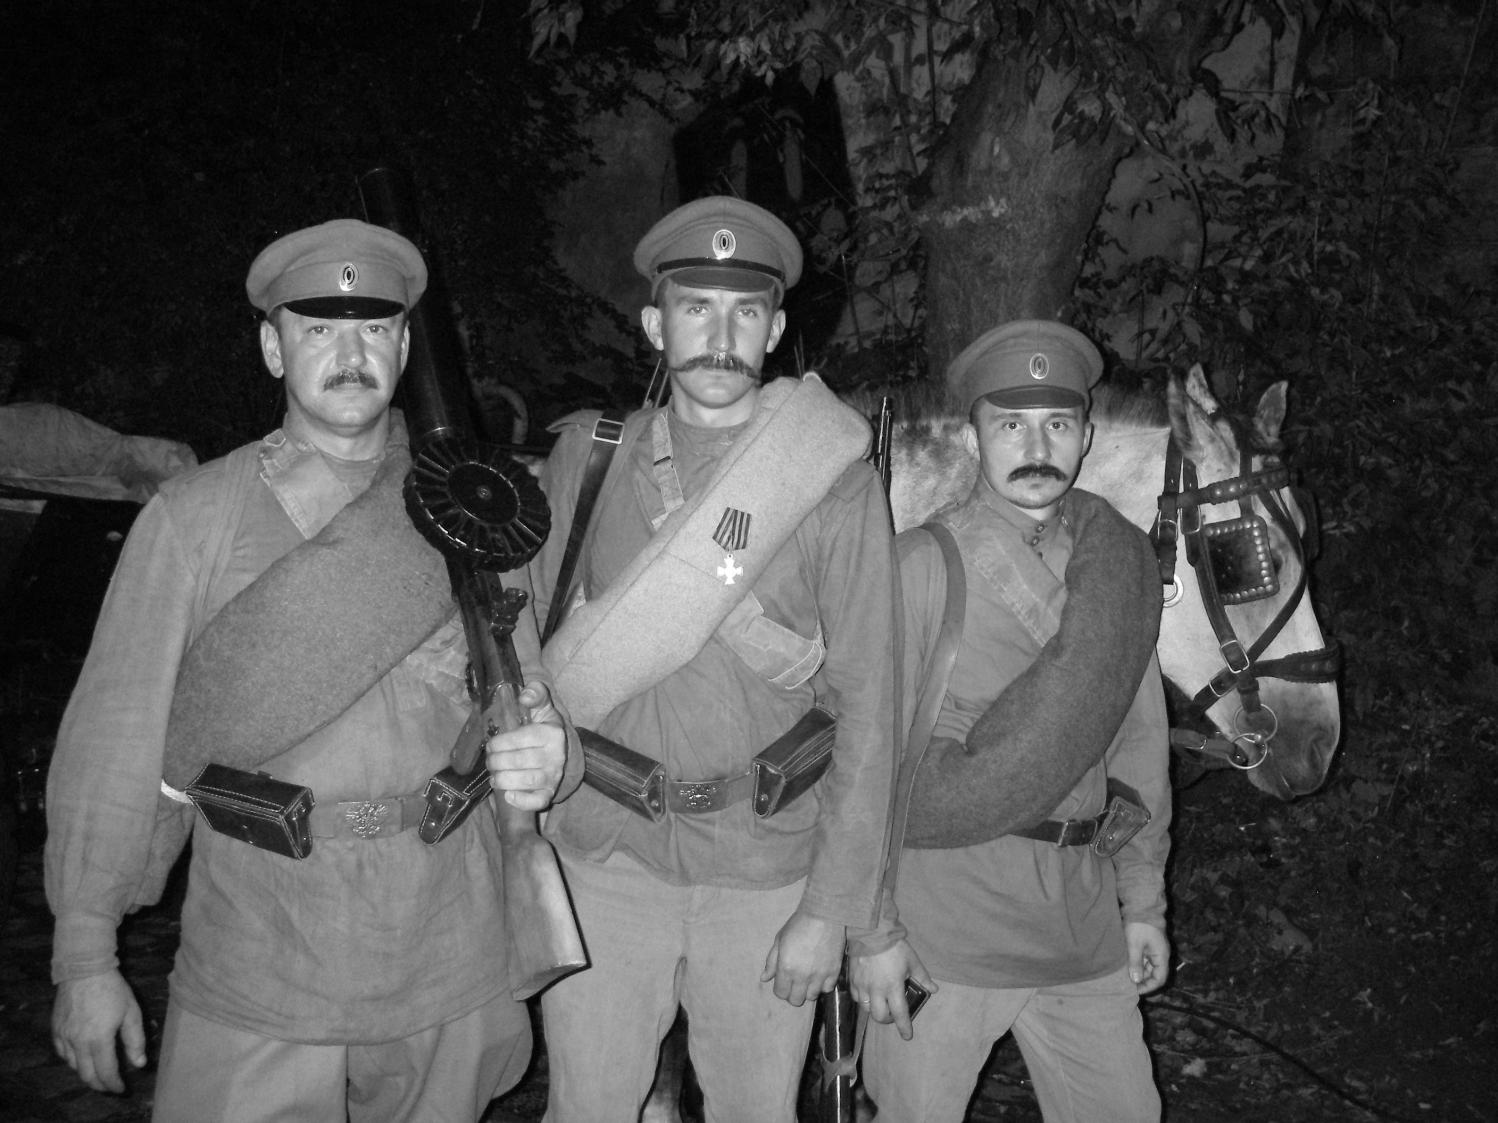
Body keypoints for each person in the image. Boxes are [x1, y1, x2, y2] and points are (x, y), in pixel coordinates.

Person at [45, 218, 576, 1121]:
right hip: (264, 950)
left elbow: (526, 686)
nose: (350, 354)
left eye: (374, 329)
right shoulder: (195, 519)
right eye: (319, 328)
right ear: (272, 347)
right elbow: (115, 741)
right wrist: (86, 954)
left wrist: (550, 748)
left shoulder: (475, 507)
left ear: (404, 348)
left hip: (443, 940)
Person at [531, 195, 898, 1122]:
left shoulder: (834, 484)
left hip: (765, 869)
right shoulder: (589, 460)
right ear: (657, 325)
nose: (721, 335)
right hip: (605, 858)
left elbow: (870, 709)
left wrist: (829, 908)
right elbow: (517, 646)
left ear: (774, 330)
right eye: (696, 307)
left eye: (745, 312)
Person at [851, 320, 1172, 1122]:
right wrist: (872, 929)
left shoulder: (1120, 567)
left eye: (1057, 423)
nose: (1037, 447)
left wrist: (1142, 903)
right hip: (945, 926)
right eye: (1011, 425)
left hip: (1081, 924)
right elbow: (864, 760)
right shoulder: (922, 564)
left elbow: (1139, 749)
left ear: (1086, 437)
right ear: (973, 438)